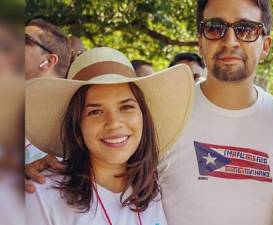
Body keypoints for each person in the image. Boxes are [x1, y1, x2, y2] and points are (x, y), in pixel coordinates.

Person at [26, 1, 273, 225]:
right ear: (200, 40)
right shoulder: (165, 118)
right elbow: (105, 167)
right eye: (215, 27)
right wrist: (36, 173)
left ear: (266, 45)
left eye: (246, 28)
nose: (230, 40)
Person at [25, 47, 194, 225]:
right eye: (96, 111)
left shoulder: (156, 191)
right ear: (76, 124)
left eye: (126, 107)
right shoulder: (40, 195)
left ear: (144, 115)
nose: (114, 123)